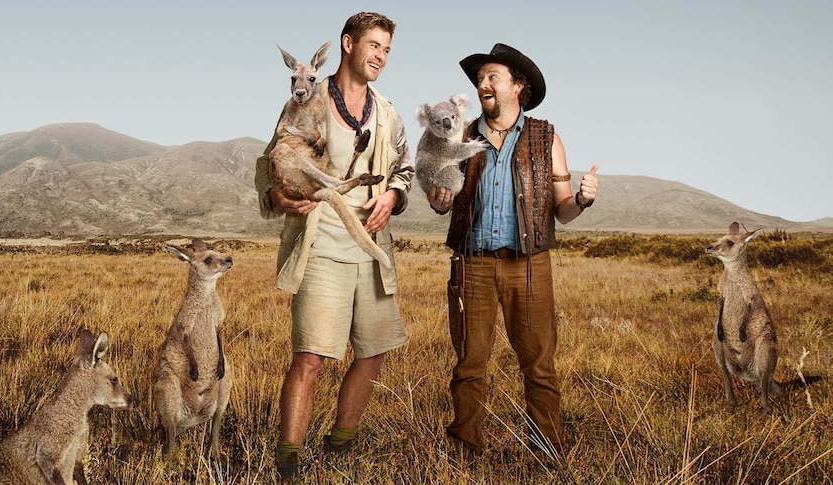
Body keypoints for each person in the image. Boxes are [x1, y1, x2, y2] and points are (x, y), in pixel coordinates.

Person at [254, 11, 413, 481]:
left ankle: (341, 445)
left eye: (387, 49)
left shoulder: (387, 112)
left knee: (373, 351)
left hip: (372, 244)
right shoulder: (306, 101)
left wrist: (394, 195)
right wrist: (278, 196)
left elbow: (404, 167)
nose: (381, 57)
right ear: (348, 44)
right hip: (321, 240)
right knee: (311, 355)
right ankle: (288, 461)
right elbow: (271, 162)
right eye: (374, 46)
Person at [427, 43, 599, 457]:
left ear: (517, 86)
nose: (483, 84)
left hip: (530, 267)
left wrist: (583, 199)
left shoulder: (545, 138)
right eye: (480, 78)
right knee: (469, 366)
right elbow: (441, 202)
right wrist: (439, 197)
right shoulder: (461, 137)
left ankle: (546, 454)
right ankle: (465, 453)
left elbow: (562, 211)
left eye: (492, 77)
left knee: (539, 366)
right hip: (472, 266)